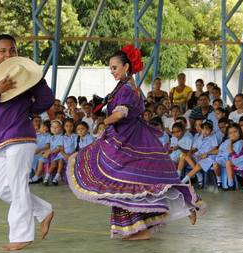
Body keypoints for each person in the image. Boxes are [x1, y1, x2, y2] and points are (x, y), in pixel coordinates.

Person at [66, 45, 204, 241]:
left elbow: (121, 113)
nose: (112, 71)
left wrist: (104, 121)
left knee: (132, 181)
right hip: (126, 137)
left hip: (131, 139)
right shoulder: (123, 87)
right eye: (111, 68)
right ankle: (139, 227)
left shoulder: (128, 90)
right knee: (128, 182)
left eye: (114, 67)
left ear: (126, 67)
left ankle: (182, 207)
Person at [0, 34, 54, 251]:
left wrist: (26, 108)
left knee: (18, 185)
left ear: (17, 52)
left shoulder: (28, 76)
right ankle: (43, 211)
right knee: (1, 188)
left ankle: (21, 235)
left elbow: (47, 99)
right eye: (3, 50)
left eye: (12, 50)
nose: (8, 54)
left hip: (20, 135)